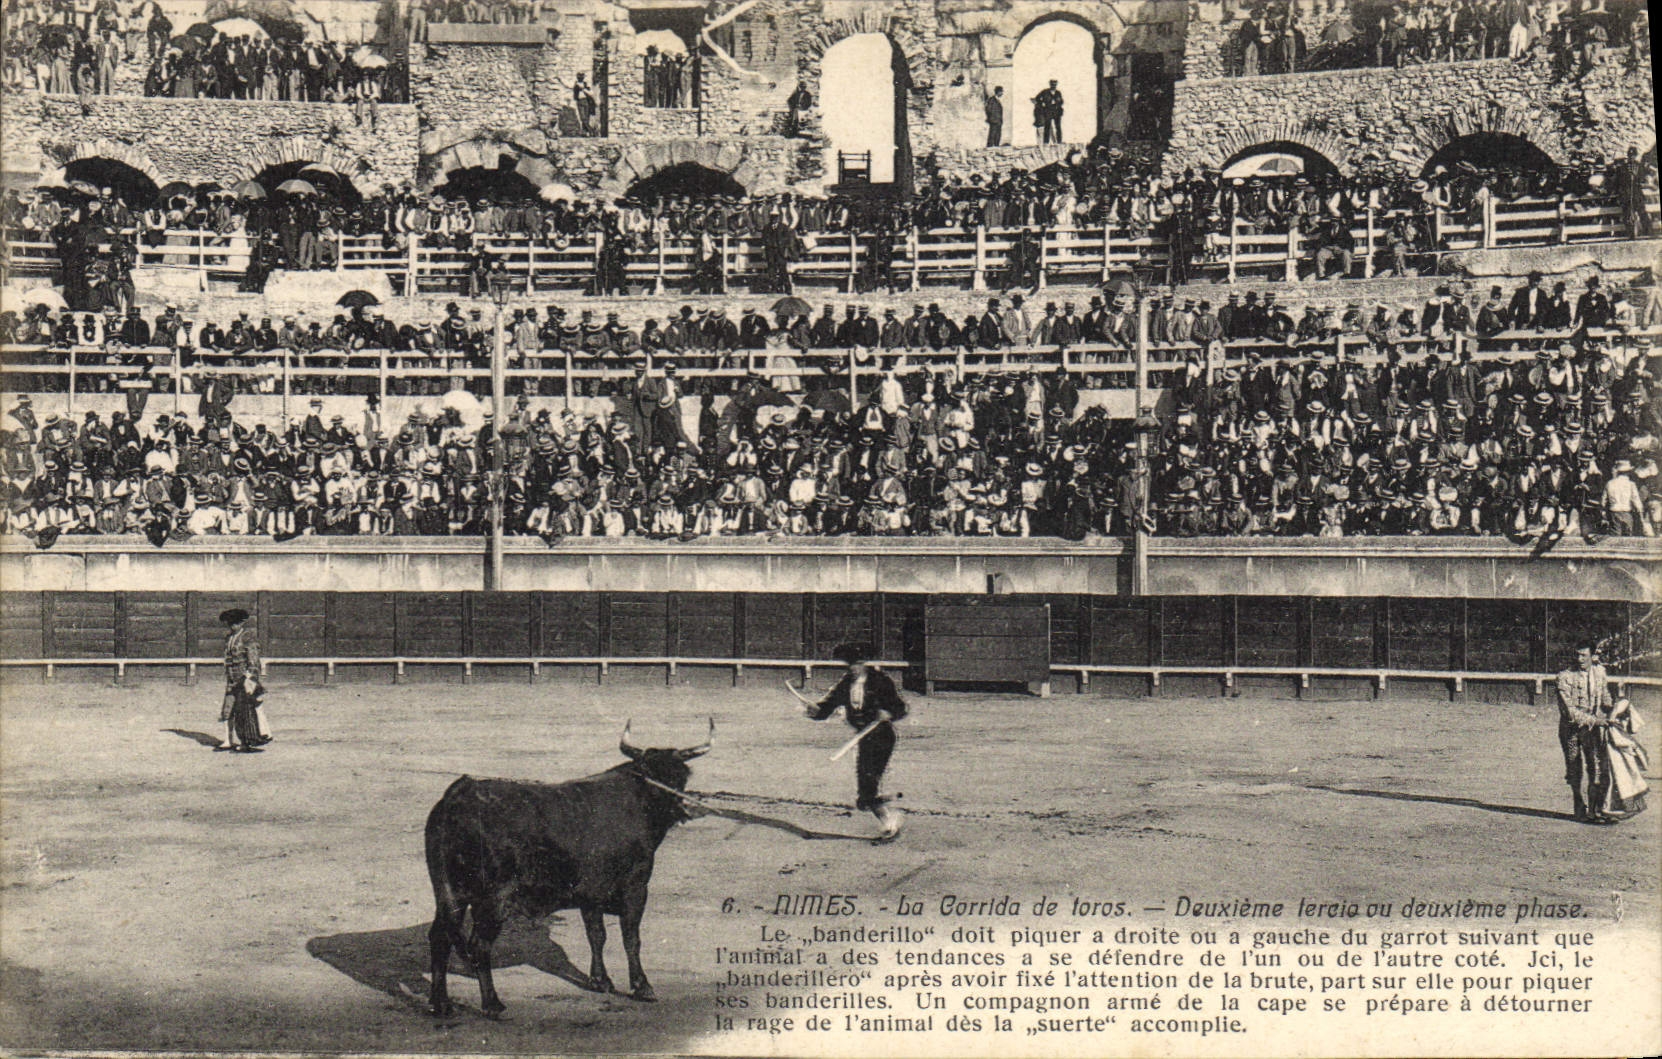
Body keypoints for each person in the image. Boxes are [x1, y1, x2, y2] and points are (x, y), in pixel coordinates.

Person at [801, 643, 907, 839]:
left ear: (864, 664)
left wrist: (888, 713)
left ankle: (890, 822)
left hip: (882, 735)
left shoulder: (880, 681)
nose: (853, 668)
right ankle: (888, 811)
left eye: (856, 664)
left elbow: (900, 707)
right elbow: (828, 706)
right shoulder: (846, 684)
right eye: (849, 664)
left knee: (869, 782)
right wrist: (816, 712)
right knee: (865, 791)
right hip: (863, 737)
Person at [1556, 643, 1614, 823]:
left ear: (1592, 656)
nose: (1579, 659)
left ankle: (1596, 810)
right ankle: (1579, 806)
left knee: (1596, 767)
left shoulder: (1600, 672)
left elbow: (1605, 697)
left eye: (1583, 656)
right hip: (1571, 729)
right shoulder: (1564, 677)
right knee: (1575, 768)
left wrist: (1615, 710)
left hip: (1593, 730)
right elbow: (1569, 712)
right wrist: (1596, 721)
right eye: (1577, 655)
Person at [218, 607, 270, 751]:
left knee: (244, 711)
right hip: (231, 679)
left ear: (241, 623)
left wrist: (249, 678)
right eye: (229, 623)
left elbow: (253, 661)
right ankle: (228, 740)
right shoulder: (229, 638)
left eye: (235, 623)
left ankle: (245, 742)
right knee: (227, 709)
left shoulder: (248, 637)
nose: (232, 626)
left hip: (244, 680)